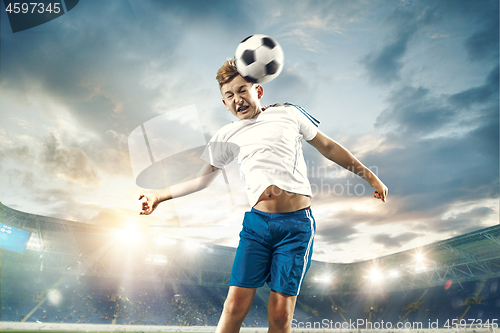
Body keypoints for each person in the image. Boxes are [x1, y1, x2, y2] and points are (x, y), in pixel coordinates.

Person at [139, 59, 388, 333]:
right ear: (224, 104)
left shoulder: (288, 114)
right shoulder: (226, 135)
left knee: (280, 317)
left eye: (242, 90)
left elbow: (328, 146)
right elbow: (201, 179)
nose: (237, 100)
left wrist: (369, 175)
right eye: (229, 95)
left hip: (296, 227)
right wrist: (159, 195)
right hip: (257, 226)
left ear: (258, 90)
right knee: (233, 307)